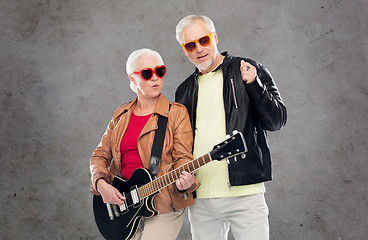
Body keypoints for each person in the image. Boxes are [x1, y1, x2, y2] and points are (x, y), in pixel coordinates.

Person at [174, 15, 287, 240]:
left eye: (204, 40)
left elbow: (277, 121)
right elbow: (181, 145)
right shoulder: (184, 90)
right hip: (201, 198)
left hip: (245, 194)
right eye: (190, 45)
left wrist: (255, 85)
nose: (199, 49)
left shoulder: (247, 68)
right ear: (184, 50)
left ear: (215, 37)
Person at [90, 48, 199, 240]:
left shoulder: (176, 113)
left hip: (164, 203)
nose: (155, 78)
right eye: (147, 74)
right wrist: (101, 184)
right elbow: (99, 155)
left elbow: (183, 158)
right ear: (133, 79)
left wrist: (186, 181)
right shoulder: (121, 115)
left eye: (160, 71)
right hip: (124, 207)